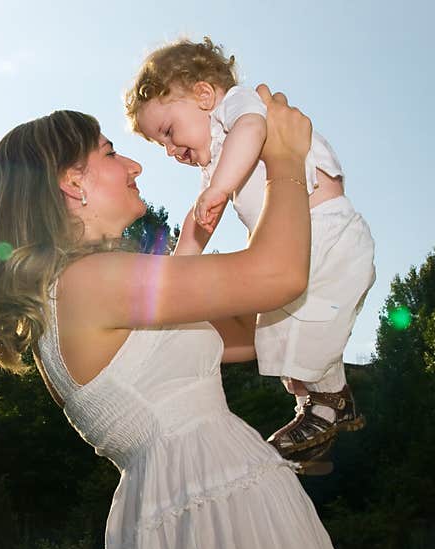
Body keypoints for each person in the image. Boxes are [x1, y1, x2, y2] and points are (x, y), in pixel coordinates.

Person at [0, 85, 355, 549]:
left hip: (188, 497)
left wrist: (196, 238)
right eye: (109, 153)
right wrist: (284, 159)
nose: (135, 166)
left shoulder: (75, 292)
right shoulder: (87, 282)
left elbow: (248, 338)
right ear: (72, 183)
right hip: (211, 505)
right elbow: (278, 275)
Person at [125, 38, 376, 473]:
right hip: (303, 246)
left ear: (204, 95)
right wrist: (182, 260)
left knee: (301, 338)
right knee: (278, 336)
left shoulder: (237, 110)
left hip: (329, 235)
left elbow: (253, 132)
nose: (170, 150)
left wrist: (220, 189)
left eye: (168, 131)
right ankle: (320, 416)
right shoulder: (216, 160)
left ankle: (327, 407)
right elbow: (201, 214)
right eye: (159, 145)